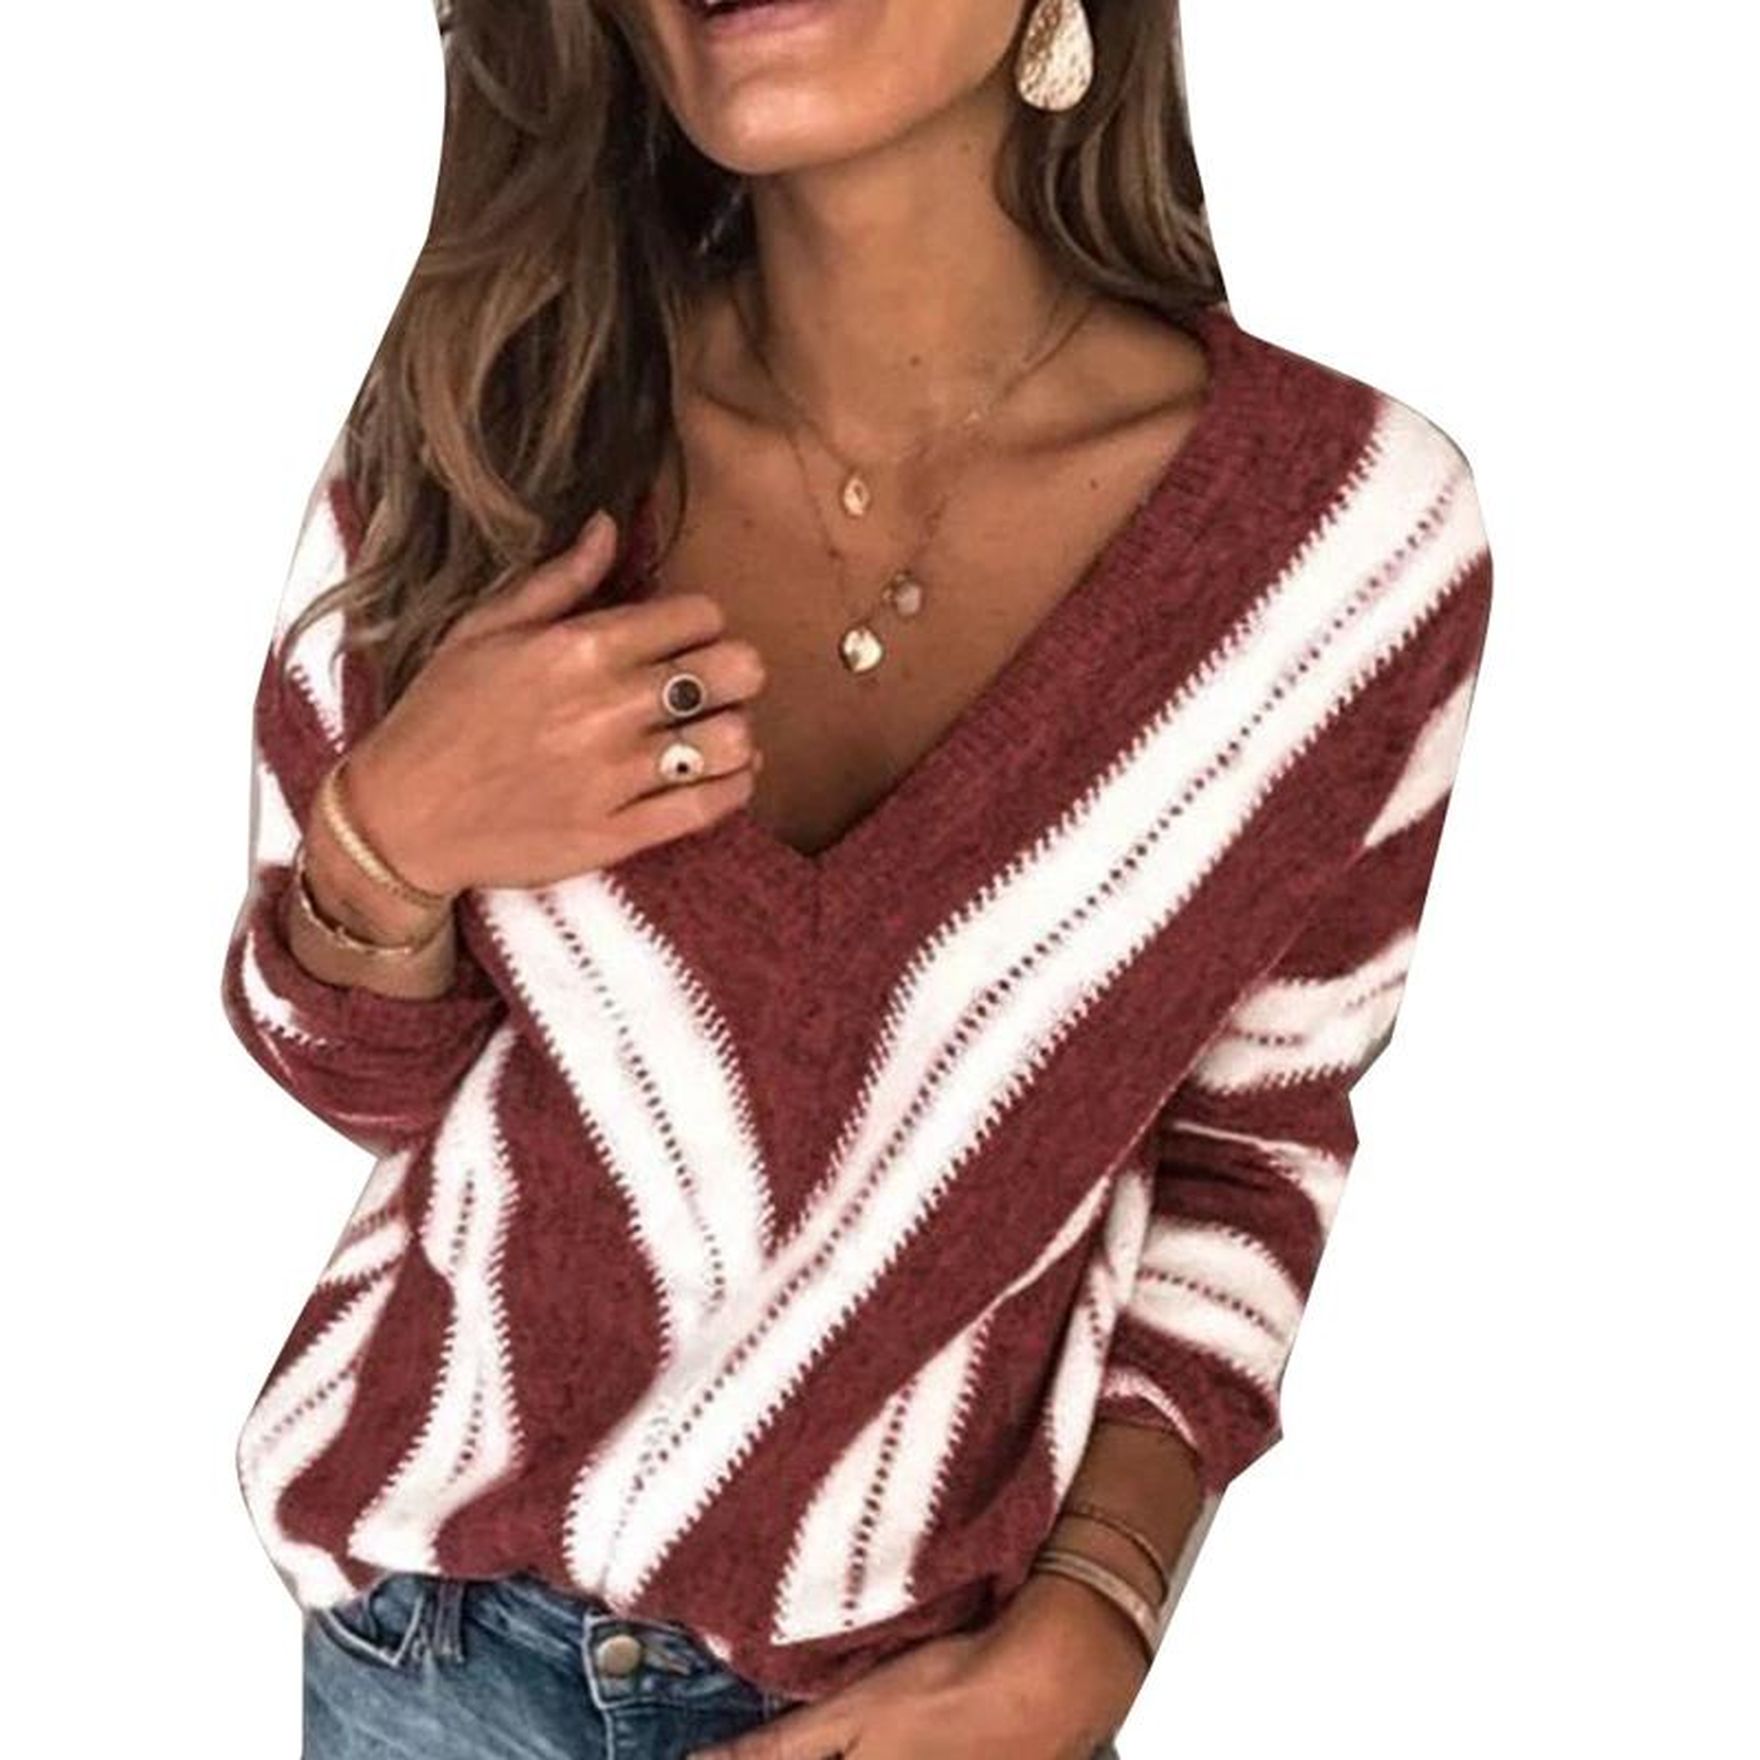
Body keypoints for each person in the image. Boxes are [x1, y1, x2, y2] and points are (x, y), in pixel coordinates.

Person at [221, 3, 1494, 1756]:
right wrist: (391, 839)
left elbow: (1253, 1145)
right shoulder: (500, 432)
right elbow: (350, 1079)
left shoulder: (1339, 546)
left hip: (920, 1706)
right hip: (437, 1671)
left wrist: (1095, 1626)